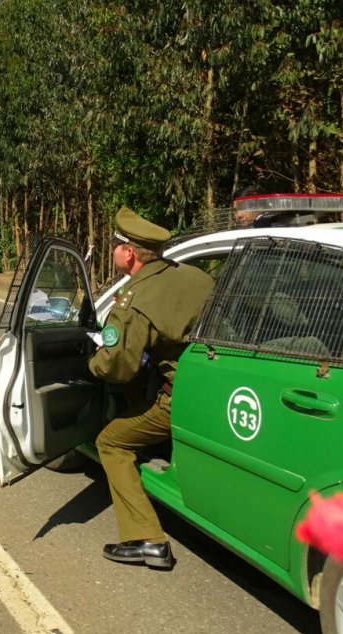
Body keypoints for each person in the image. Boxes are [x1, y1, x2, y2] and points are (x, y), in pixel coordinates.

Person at [89, 208, 214, 570]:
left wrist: (93, 360)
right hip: (211, 385)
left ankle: (148, 540)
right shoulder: (192, 275)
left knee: (111, 443)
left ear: (128, 253)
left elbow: (119, 367)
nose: (112, 249)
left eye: (115, 244)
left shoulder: (134, 301)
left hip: (180, 397)